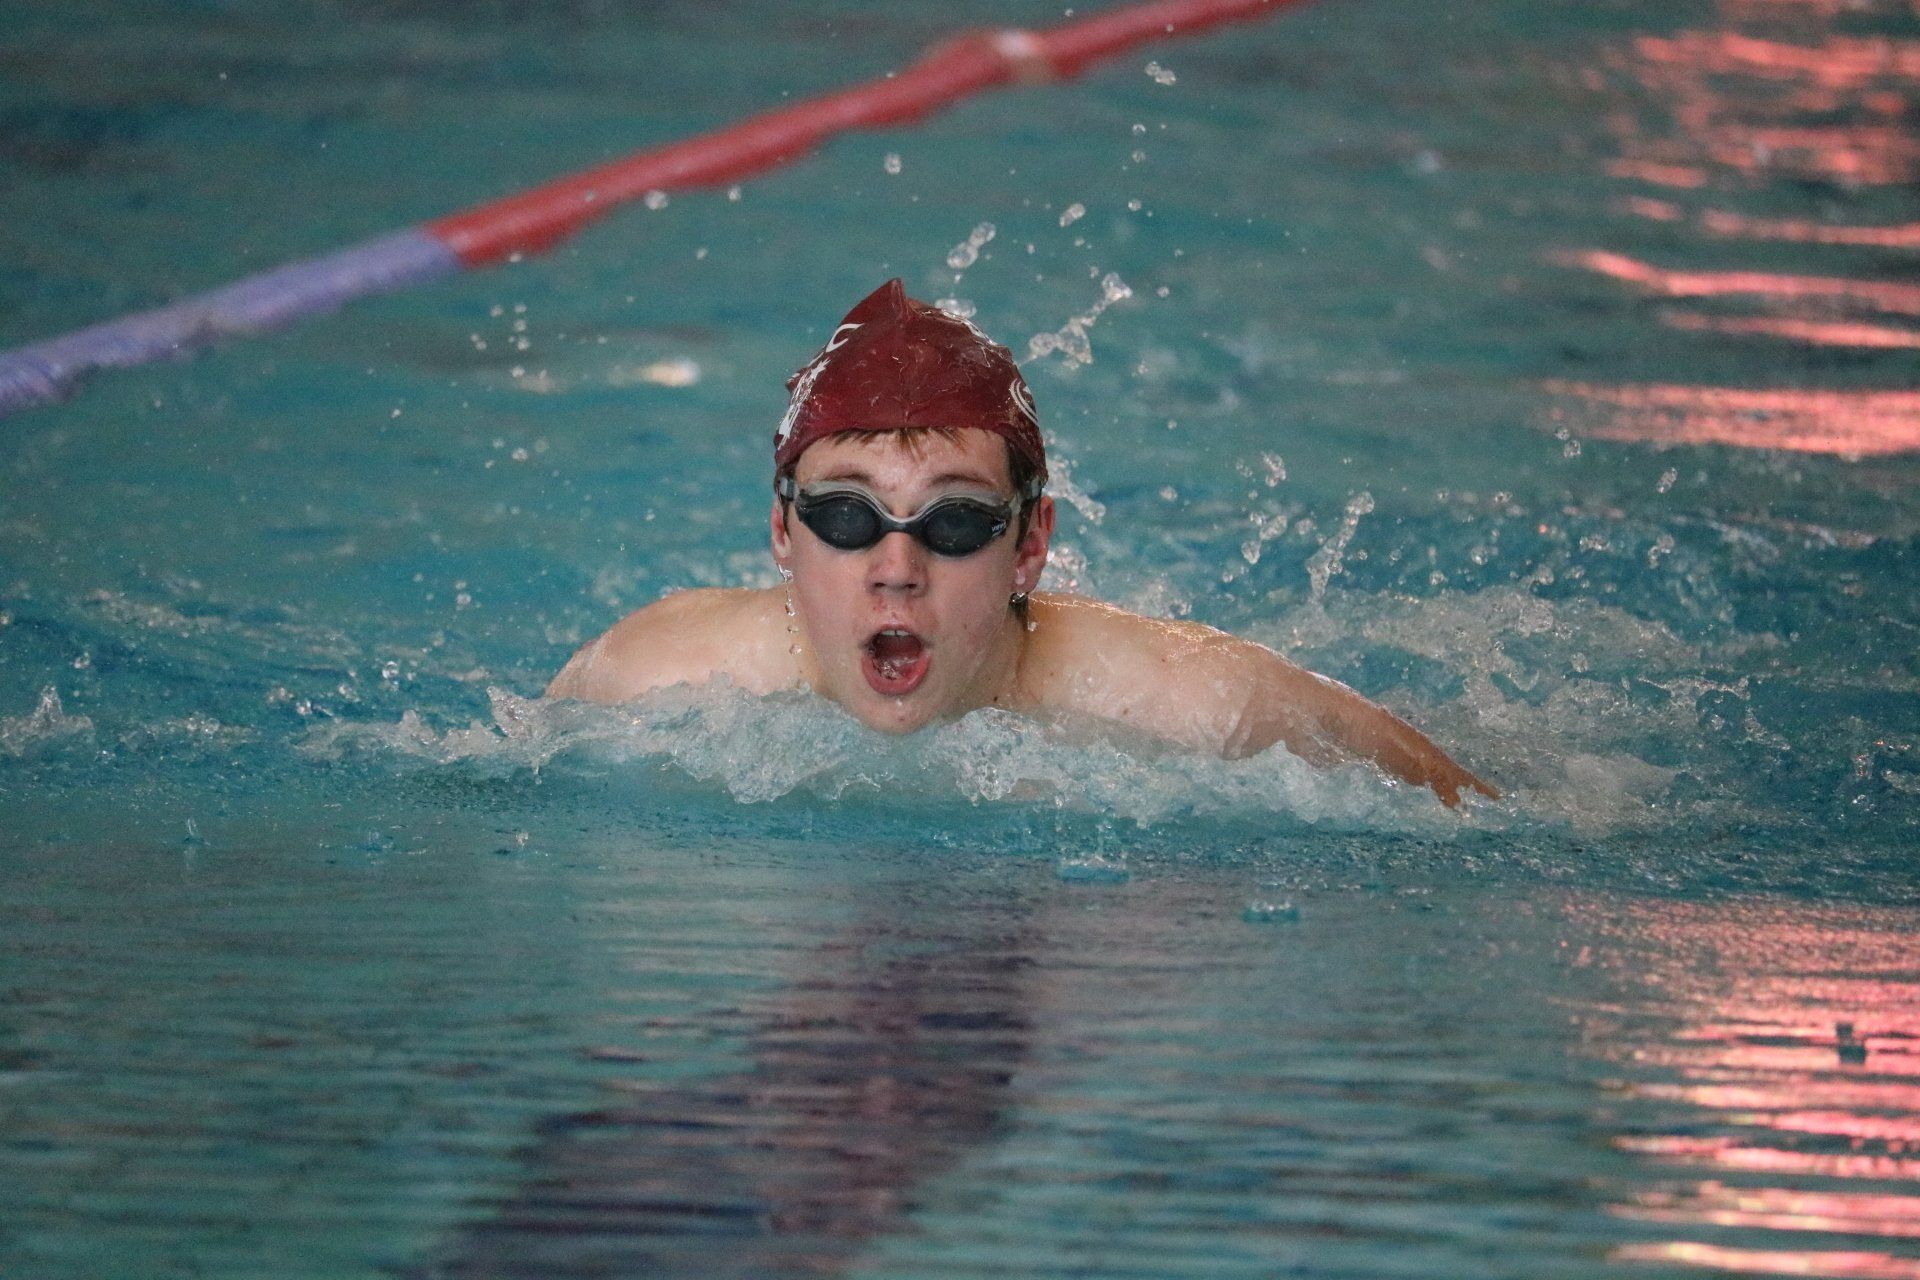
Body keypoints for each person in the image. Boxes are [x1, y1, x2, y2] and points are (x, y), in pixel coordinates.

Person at [547, 279, 1495, 806]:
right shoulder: (644, 678)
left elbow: (1487, 823)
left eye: (956, 522)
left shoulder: (1202, 710)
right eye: (846, 517)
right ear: (780, 533)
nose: (896, 571)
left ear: (1031, 545)